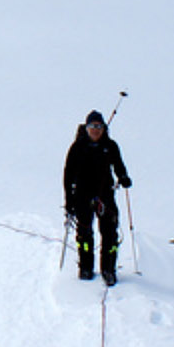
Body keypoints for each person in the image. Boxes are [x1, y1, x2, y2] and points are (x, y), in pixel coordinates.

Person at [63, 110, 131, 285]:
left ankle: (108, 270)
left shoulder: (111, 146)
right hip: (82, 196)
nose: (96, 129)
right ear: (86, 128)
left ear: (103, 127)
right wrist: (69, 201)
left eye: (99, 126)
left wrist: (123, 177)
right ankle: (85, 268)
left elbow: (118, 165)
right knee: (84, 234)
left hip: (105, 195)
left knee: (110, 234)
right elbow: (68, 175)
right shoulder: (77, 147)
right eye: (92, 126)